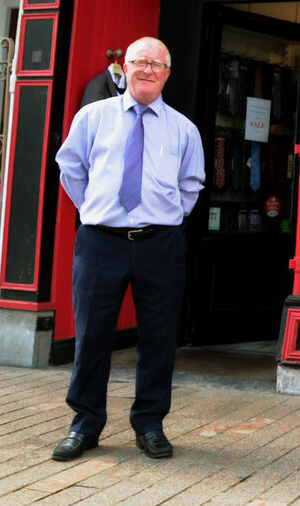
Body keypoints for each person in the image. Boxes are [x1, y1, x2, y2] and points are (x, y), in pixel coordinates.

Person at [51, 36, 205, 462]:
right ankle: (84, 425)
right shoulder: (93, 117)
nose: (147, 70)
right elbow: (71, 168)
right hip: (101, 242)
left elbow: (191, 185)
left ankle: (150, 424)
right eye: (140, 62)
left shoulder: (183, 128)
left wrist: (164, 216)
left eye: (157, 65)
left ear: (167, 75)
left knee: (158, 338)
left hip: (160, 244)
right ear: (126, 67)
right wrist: (93, 210)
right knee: (92, 337)